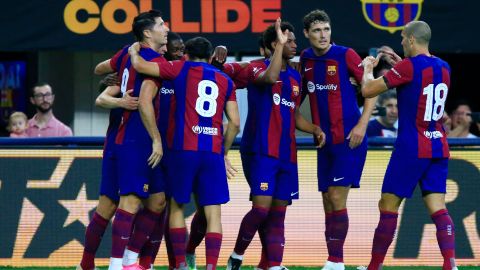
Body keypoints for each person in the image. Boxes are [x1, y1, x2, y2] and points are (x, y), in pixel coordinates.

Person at [129, 36, 241, 270]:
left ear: (187, 54)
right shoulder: (225, 80)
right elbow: (235, 124)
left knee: (177, 207)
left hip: (184, 149)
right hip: (212, 152)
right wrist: (223, 151)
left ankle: (180, 264)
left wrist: (132, 52)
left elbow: (140, 65)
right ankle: (211, 267)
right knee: (213, 214)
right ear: (211, 57)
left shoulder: (179, 67)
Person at [225, 18, 324, 270]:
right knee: (260, 209)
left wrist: (313, 128)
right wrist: (279, 48)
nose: (294, 44)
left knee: (278, 214)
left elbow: (294, 114)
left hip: (287, 153)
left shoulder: (294, 77)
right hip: (260, 150)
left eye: (293, 41)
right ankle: (236, 256)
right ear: (274, 44)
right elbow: (270, 78)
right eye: (288, 40)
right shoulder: (257, 68)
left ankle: (270, 265)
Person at [359, 21, 457, 270]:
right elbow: (421, 88)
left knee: (388, 206)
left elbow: (369, 90)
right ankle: (450, 264)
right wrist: (398, 66)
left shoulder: (409, 67)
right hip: (438, 146)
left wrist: (368, 69)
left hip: (412, 146)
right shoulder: (444, 67)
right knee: (438, 208)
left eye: (403, 38)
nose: (401, 42)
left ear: (412, 40)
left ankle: (374, 267)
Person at [299, 10, 377, 270]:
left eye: (327, 29)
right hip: (324, 143)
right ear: (307, 34)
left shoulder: (346, 55)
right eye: (317, 30)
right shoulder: (305, 58)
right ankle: (333, 259)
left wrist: (361, 126)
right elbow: (298, 97)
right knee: (326, 200)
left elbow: (372, 89)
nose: (323, 35)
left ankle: (336, 261)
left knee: (335, 197)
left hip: (348, 138)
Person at [93, 9, 170, 270]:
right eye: (162, 25)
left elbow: (98, 68)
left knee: (158, 200)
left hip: (135, 137)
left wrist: (118, 66)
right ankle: (117, 265)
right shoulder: (152, 61)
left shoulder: (133, 52)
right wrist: (157, 140)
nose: (167, 28)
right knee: (129, 201)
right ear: (148, 33)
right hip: (137, 138)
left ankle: (129, 259)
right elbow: (145, 104)